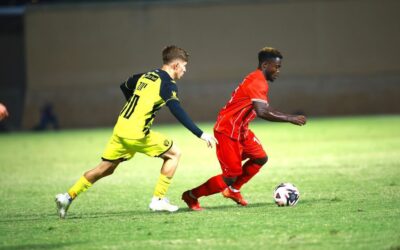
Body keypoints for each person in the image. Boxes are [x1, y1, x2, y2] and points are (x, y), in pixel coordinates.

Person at [55, 45, 217, 218]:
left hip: (121, 128)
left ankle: (67, 197)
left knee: (105, 169)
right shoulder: (168, 84)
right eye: (184, 66)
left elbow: (125, 85)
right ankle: (158, 199)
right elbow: (177, 110)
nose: (185, 70)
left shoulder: (147, 75)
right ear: (176, 65)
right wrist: (201, 134)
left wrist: (137, 106)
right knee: (174, 153)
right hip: (136, 133)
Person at [182, 47, 306, 211]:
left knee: (260, 157)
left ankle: (233, 190)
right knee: (230, 176)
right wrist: (290, 118)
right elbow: (262, 112)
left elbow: (264, 108)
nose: (278, 71)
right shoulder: (257, 81)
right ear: (265, 65)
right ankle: (191, 195)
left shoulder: (258, 80)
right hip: (227, 131)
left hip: (241, 130)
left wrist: (288, 116)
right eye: (276, 67)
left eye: (280, 67)